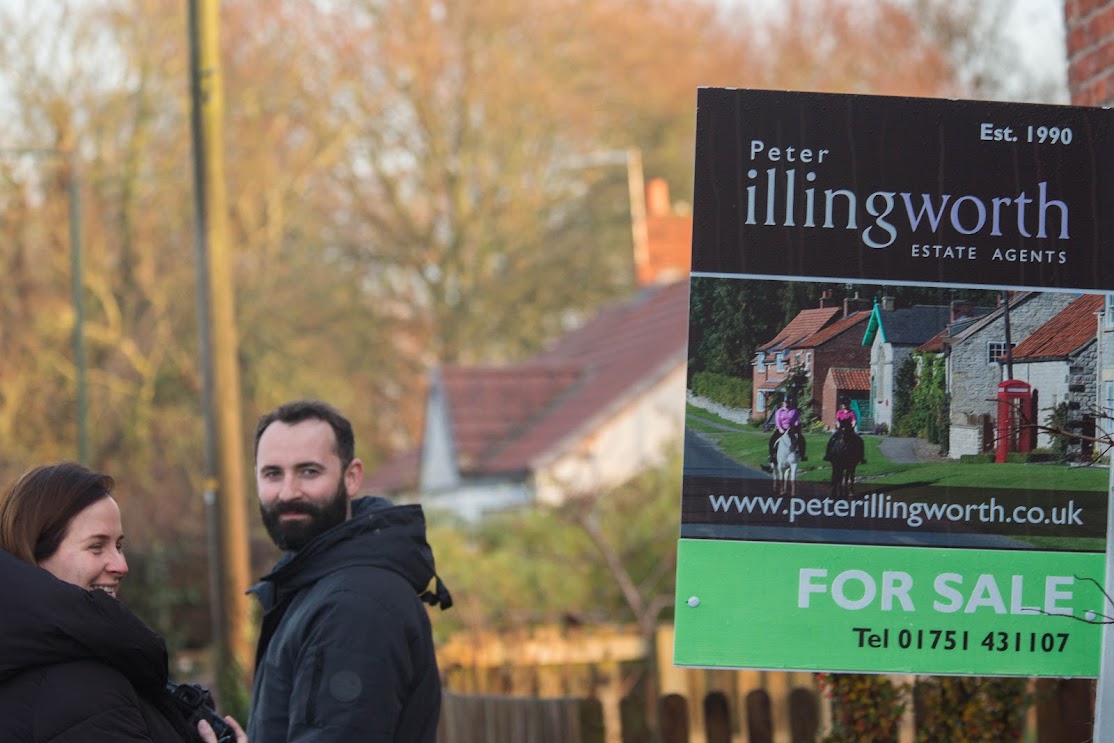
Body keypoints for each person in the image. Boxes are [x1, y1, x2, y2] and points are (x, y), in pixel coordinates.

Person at [247, 399, 452, 742]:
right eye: (272, 474)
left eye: (308, 471)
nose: (288, 492)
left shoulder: (354, 606)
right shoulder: (315, 584)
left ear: (352, 477)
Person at [0, 462, 246, 743]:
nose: (121, 565)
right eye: (96, 546)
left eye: (119, 546)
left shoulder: (39, 664)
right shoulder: (85, 689)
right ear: (35, 555)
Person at [767, 396, 807, 468]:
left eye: (788, 402)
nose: (786, 404)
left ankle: (802, 455)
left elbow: (796, 419)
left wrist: (796, 425)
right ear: (783, 403)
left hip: (791, 429)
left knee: (801, 439)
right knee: (772, 440)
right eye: (785, 402)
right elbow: (778, 421)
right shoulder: (779, 411)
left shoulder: (794, 411)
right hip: (782, 429)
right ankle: (771, 456)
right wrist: (780, 428)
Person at [825, 398, 867, 465]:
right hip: (841, 429)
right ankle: (828, 455)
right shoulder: (839, 412)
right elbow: (837, 420)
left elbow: (854, 420)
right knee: (831, 439)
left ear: (848, 405)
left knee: (860, 440)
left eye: (845, 404)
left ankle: (861, 457)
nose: (844, 405)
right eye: (843, 404)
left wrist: (853, 426)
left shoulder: (852, 412)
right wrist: (839, 426)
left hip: (849, 429)